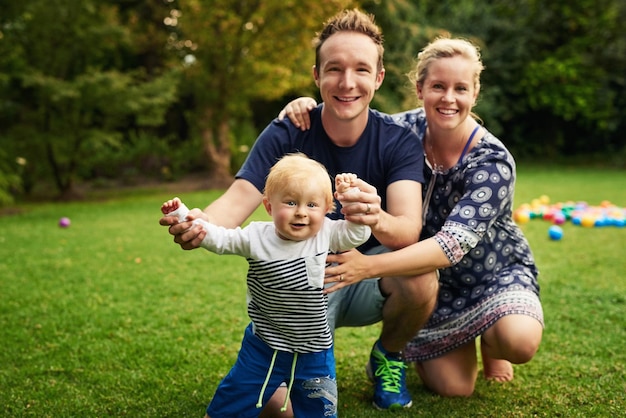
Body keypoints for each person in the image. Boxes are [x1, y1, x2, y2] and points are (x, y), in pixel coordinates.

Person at [159, 8, 437, 413]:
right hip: (295, 289)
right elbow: (238, 201)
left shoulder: (398, 141)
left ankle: (388, 356)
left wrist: (373, 216)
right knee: (276, 408)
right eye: (334, 69)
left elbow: (408, 231)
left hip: (362, 273)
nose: (346, 82)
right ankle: (282, 364)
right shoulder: (288, 131)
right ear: (316, 75)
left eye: (361, 69)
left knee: (421, 276)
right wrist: (200, 224)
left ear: (378, 78)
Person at [280, 36, 544, 397]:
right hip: (431, 280)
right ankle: (422, 342)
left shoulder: (492, 162)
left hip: (490, 273)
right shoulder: (400, 130)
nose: (448, 99)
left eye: (460, 89)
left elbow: (452, 245)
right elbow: (349, 111)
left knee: (519, 341)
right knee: (455, 389)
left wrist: (367, 267)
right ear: (419, 89)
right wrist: (305, 105)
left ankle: (493, 342)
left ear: (474, 93)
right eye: (438, 86)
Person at [162, 154, 371, 417]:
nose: (301, 212)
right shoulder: (256, 237)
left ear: (327, 208)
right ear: (269, 206)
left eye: (312, 205)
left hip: (314, 349)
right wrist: (185, 217)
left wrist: (352, 200)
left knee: (319, 408)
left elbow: (357, 233)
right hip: (263, 345)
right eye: (291, 202)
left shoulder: (327, 232)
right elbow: (220, 238)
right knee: (234, 397)